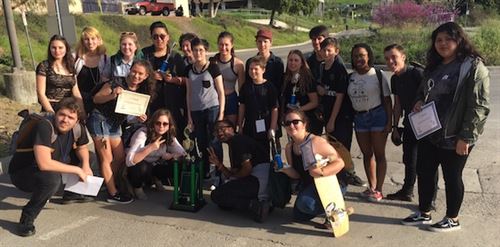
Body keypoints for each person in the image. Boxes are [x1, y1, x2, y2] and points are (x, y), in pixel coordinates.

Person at [401, 22, 490, 232]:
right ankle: (424, 213)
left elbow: (479, 106)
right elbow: (424, 91)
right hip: (430, 132)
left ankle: (453, 218)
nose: (443, 43)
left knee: (452, 177)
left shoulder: (472, 67)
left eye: (448, 39)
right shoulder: (434, 66)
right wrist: (419, 101)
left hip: (455, 135)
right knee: (425, 172)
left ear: (459, 40)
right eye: (438, 40)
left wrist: (466, 137)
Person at [9, 97, 92, 237]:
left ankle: (71, 193)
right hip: (22, 173)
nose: (65, 120)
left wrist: (85, 165)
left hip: (50, 164)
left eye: (70, 117)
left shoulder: (79, 127)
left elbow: (82, 148)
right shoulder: (45, 126)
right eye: (62, 115)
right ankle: (27, 218)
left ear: (76, 121)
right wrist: (78, 170)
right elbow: (44, 163)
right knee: (52, 180)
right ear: (55, 114)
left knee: (89, 158)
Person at [88, 60, 156, 204]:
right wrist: (113, 95)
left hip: (115, 124)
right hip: (100, 119)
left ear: (146, 76)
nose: (136, 75)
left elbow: (131, 113)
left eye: (140, 74)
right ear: (130, 70)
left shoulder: (142, 91)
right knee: (106, 157)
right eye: (134, 71)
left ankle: (108, 183)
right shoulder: (116, 83)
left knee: (119, 158)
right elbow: (97, 98)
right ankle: (113, 193)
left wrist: (140, 117)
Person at [279, 109, 345, 226]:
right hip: (311, 183)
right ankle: (324, 206)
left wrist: (321, 171)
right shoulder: (289, 147)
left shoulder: (315, 141)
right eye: (287, 123)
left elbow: (340, 162)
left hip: (332, 183)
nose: (291, 126)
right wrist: (285, 169)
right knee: (298, 215)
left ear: (304, 124)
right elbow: (297, 175)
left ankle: (335, 209)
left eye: (295, 122)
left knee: (306, 204)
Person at [384, 44, 430, 202]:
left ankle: (430, 200)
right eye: (387, 58)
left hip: (426, 125)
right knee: (409, 159)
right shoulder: (394, 79)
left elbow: (430, 94)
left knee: (426, 163)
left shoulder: (416, 73)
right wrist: (395, 127)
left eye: (394, 57)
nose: (390, 61)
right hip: (409, 124)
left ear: (403, 57)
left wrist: (421, 102)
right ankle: (407, 191)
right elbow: (397, 104)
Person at [347, 43, 392, 202]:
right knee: (367, 154)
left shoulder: (378, 74)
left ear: (369, 56)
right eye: (356, 56)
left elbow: (387, 101)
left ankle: (379, 189)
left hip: (377, 116)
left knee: (379, 154)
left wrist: (390, 123)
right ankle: (371, 187)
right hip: (360, 118)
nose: (359, 58)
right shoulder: (351, 77)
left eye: (362, 55)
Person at [209, 120, 271, 222]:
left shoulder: (238, 141)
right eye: (216, 131)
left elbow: (247, 169)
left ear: (232, 128)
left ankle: (255, 205)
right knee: (223, 204)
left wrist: (233, 178)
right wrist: (219, 164)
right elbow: (232, 174)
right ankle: (263, 203)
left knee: (216, 195)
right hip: (260, 183)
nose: (219, 133)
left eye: (222, 129)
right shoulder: (234, 143)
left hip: (259, 181)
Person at [125, 109, 186, 199]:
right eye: (158, 123)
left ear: (169, 125)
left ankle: (155, 178)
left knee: (179, 164)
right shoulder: (143, 133)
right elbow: (129, 161)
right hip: (138, 166)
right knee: (142, 167)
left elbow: (182, 153)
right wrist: (150, 148)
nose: (161, 126)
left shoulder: (168, 135)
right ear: (153, 124)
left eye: (165, 124)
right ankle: (137, 186)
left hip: (154, 165)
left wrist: (171, 156)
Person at [186, 38, 225, 178]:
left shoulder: (213, 67)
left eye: (201, 50)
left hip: (212, 109)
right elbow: (188, 93)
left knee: (214, 142)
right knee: (200, 143)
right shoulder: (188, 70)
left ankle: (220, 173)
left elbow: (221, 92)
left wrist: (221, 115)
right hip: (196, 111)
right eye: (195, 50)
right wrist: (189, 116)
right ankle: (205, 172)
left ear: (206, 51)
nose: (198, 53)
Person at [142, 21, 187, 142]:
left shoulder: (175, 57)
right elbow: (136, 74)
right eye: (155, 36)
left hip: (172, 104)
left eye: (162, 36)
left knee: (174, 138)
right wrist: (151, 75)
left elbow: (187, 80)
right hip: (151, 105)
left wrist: (172, 80)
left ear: (168, 37)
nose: (159, 39)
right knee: (153, 138)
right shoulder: (145, 54)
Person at [245, 28, 284, 150]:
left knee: (274, 139)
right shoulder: (250, 62)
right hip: (255, 108)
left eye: (265, 41)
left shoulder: (277, 62)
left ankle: (277, 166)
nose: (262, 44)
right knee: (256, 142)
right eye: (259, 41)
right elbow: (248, 85)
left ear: (270, 43)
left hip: (272, 107)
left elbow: (280, 87)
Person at [238, 56, 279, 160]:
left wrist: (272, 127)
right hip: (249, 124)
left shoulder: (270, 87)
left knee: (263, 152)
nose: (253, 71)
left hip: (265, 123)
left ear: (263, 70)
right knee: (249, 153)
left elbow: (274, 108)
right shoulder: (245, 87)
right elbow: (242, 106)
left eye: (256, 69)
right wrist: (240, 125)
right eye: (251, 69)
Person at [36, 35, 85, 115]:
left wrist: (82, 112)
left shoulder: (71, 66)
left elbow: (76, 92)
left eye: (60, 47)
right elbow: (40, 93)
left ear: (66, 49)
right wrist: (51, 113)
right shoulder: (44, 66)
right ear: (50, 49)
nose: (57, 51)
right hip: (51, 107)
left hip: (69, 108)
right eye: (54, 48)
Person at [280, 50, 320, 135]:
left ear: (301, 63)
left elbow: (314, 102)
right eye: (290, 60)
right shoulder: (285, 78)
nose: (292, 63)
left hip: (307, 121)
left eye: (296, 60)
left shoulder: (307, 79)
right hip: (292, 121)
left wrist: (298, 110)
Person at [211, 31, 245, 125]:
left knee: (230, 130)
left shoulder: (238, 64)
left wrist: (241, 108)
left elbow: (241, 89)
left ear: (232, 45)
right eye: (221, 44)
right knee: (216, 129)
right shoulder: (213, 62)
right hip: (215, 98)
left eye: (226, 45)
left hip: (231, 99)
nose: (224, 48)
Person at [74, 26, 110, 114]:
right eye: (86, 39)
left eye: (93, 38)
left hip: (98, 102)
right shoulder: (75, 58)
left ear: (98, 40)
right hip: (79, 100)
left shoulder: (106, 59)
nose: (90, 42)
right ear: (82, 42)